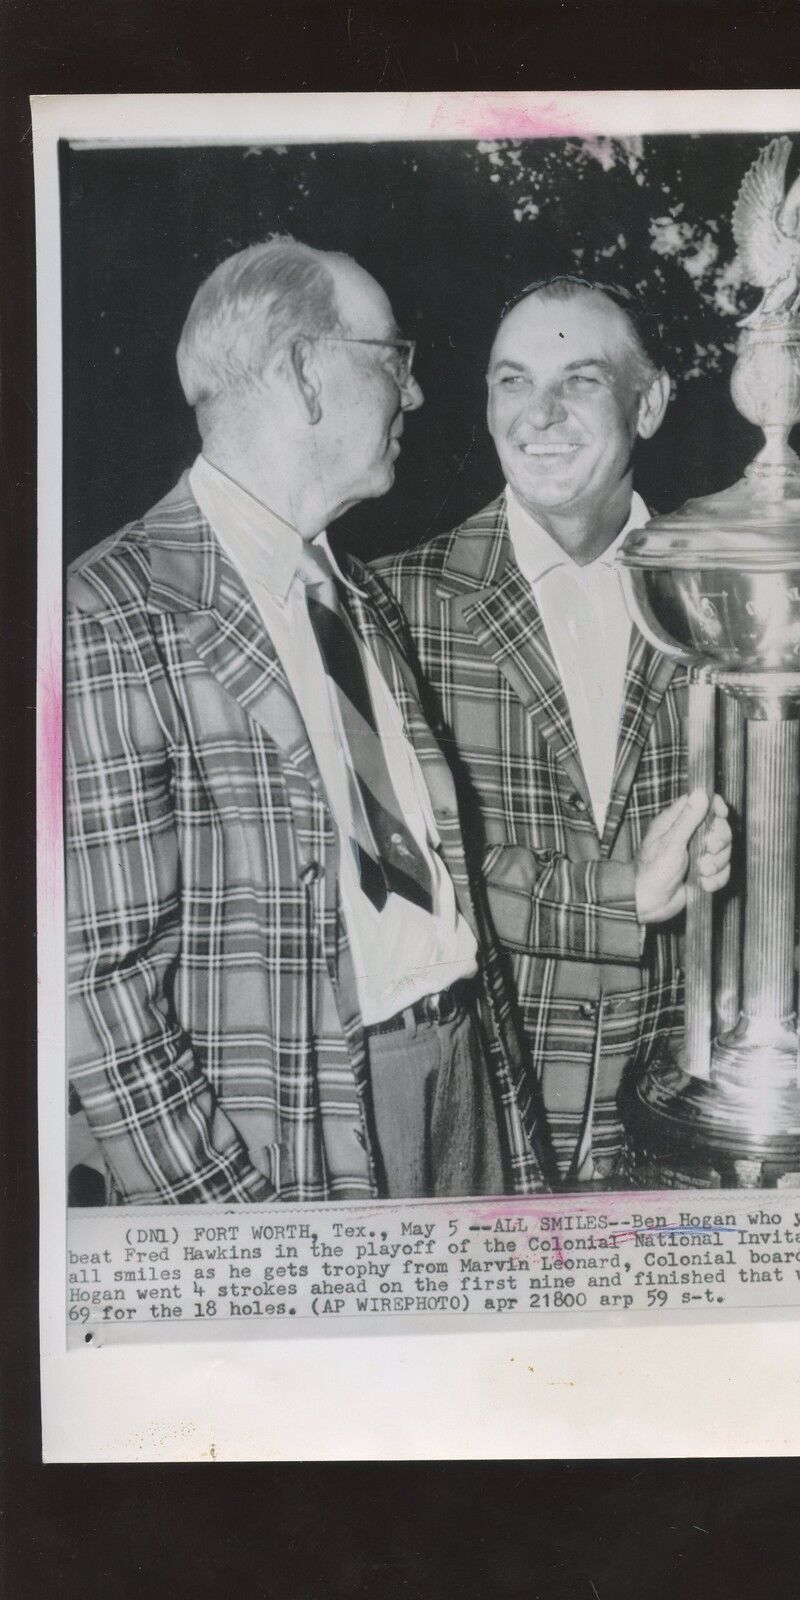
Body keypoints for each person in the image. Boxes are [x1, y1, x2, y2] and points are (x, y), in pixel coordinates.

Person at [66, 237, 556, 1204]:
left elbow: (431, 871)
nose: (413, 397)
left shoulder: (353, 594)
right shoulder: (110, 610)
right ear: (305, 372)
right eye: (393, 360)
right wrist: (230, 1225)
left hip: (465, 1080)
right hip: (300, 1133)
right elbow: (98, 988)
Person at [377, 277, 800, 1185]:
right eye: (511, 381)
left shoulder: (734, 589)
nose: (539, 414)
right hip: (489, 1127)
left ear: (647, 403)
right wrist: (623, 896)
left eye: (580, 379)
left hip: (692, 1127)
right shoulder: (396, 604)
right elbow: (407, 876)